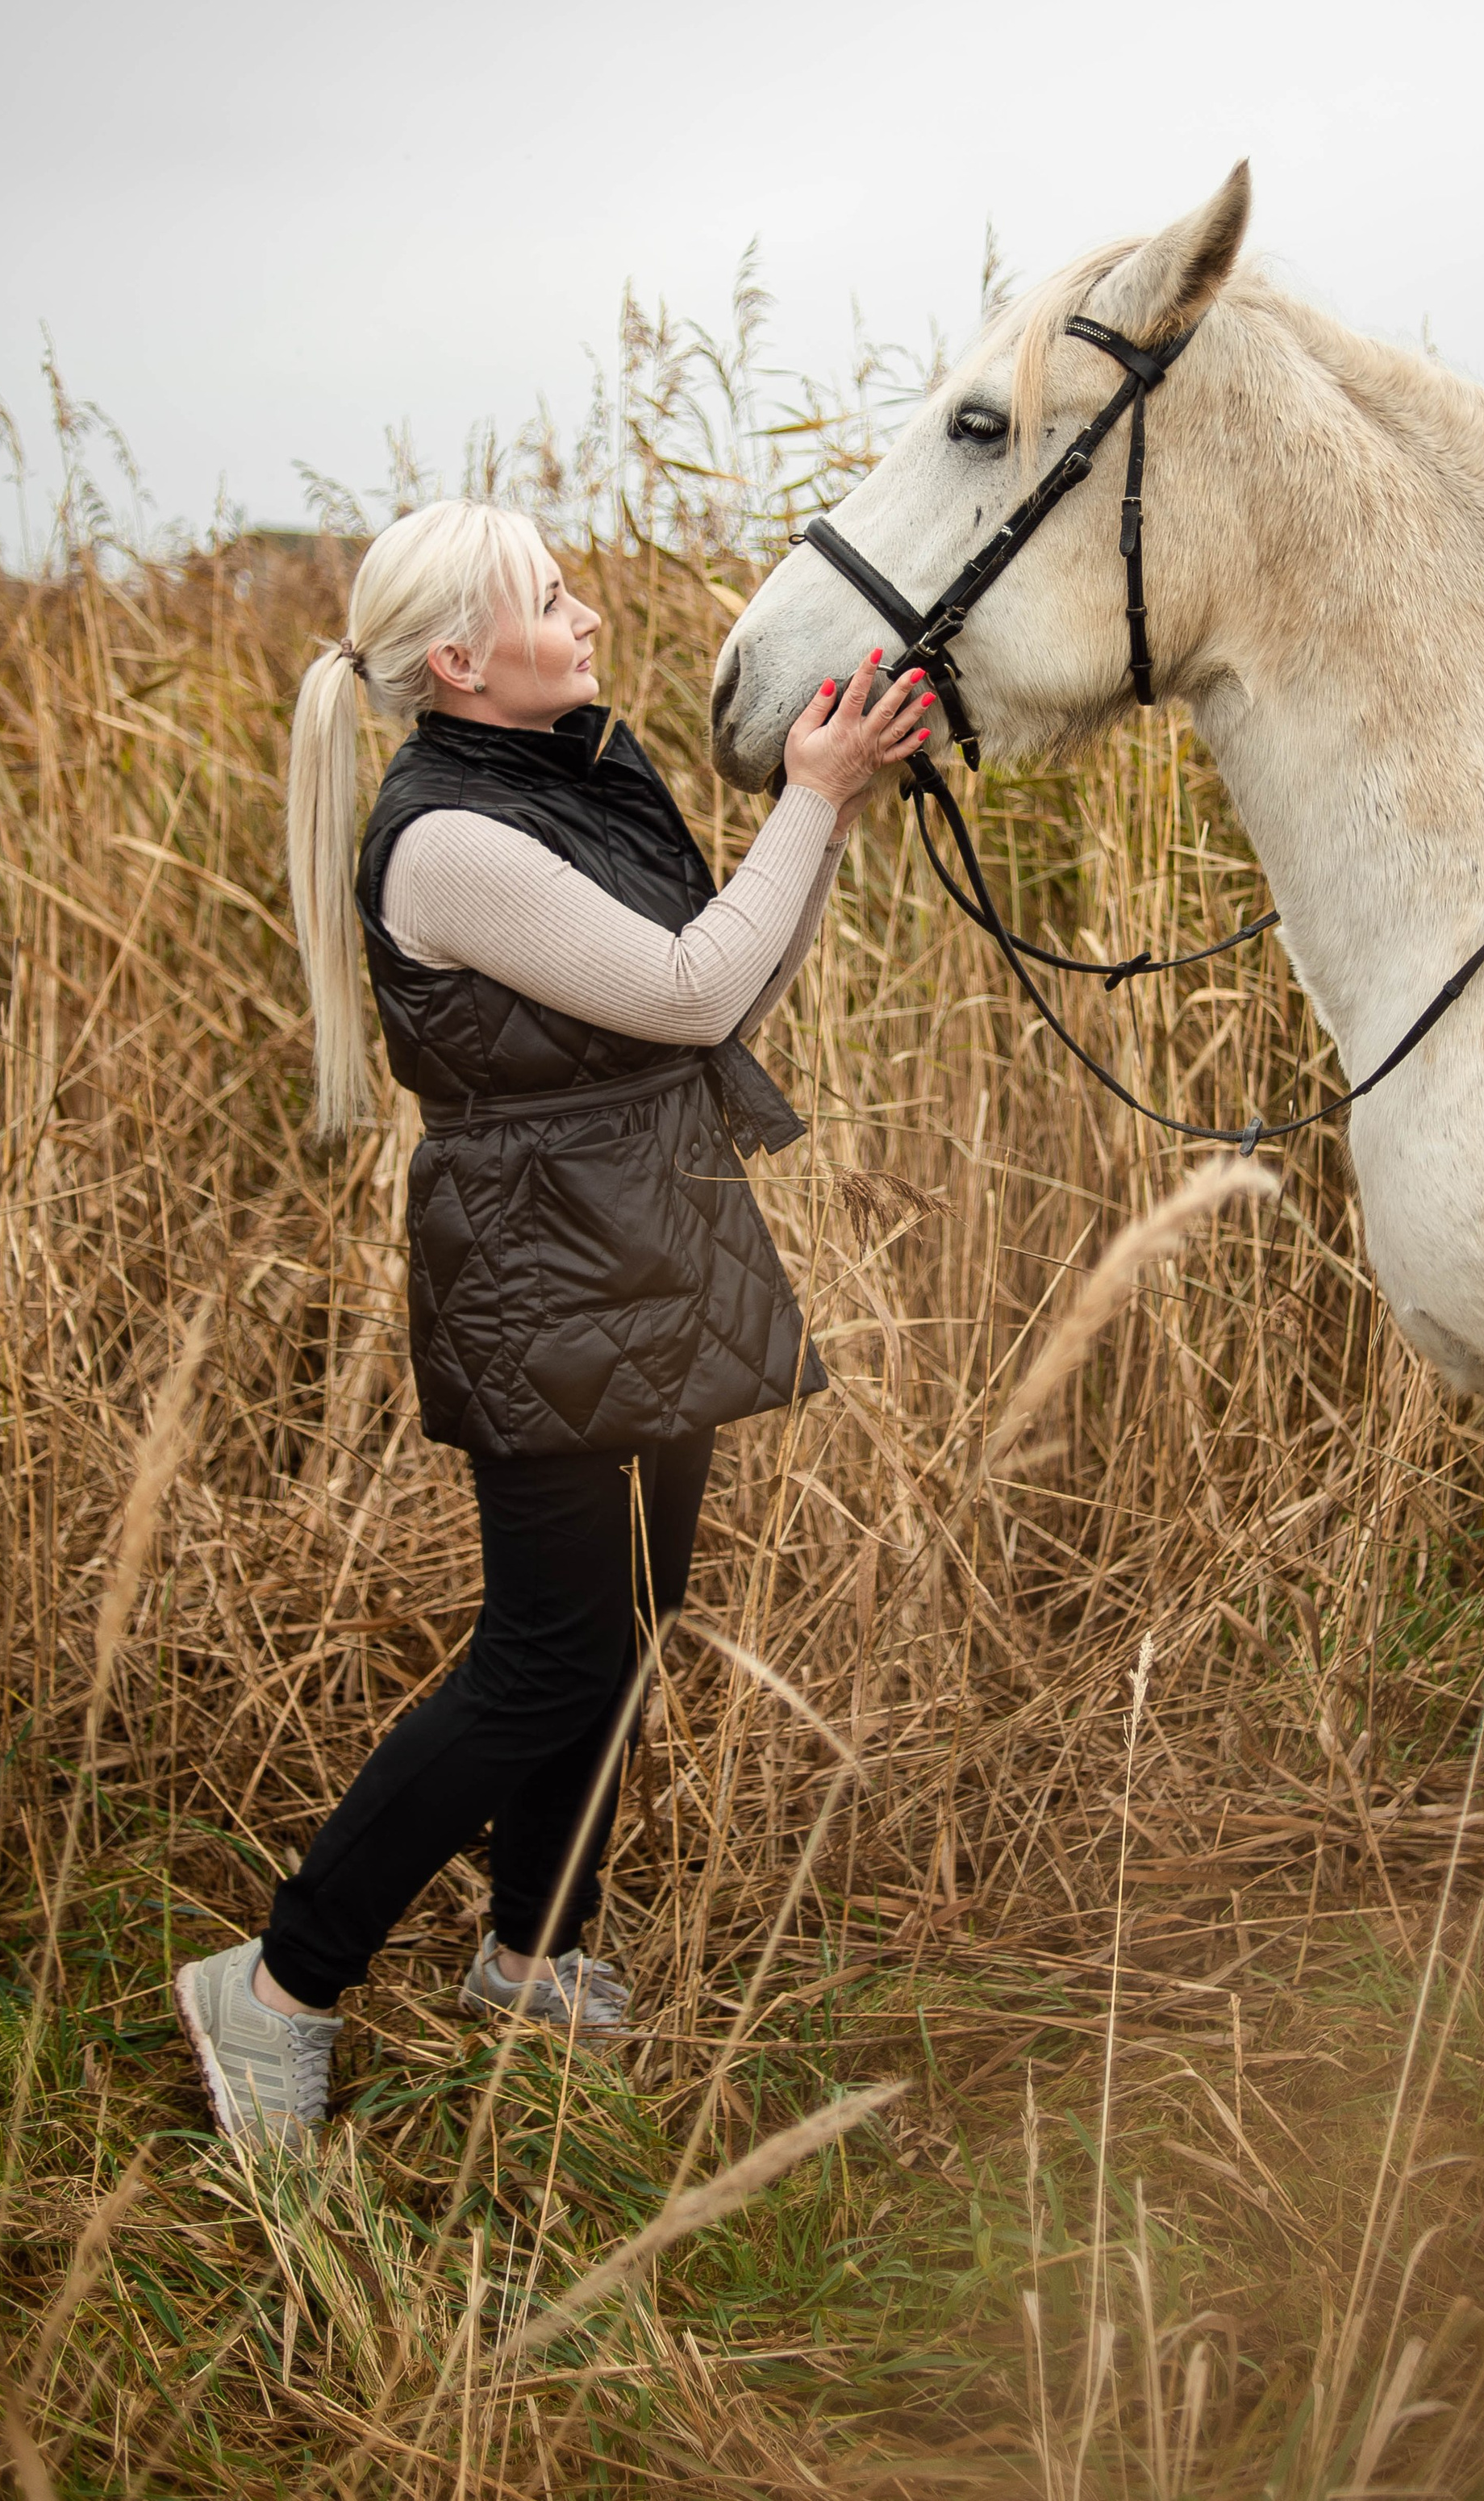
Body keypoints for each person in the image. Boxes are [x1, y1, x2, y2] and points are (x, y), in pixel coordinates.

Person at [173, 499, 930, 2148]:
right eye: (551, 597)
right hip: (542, 1273)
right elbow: (688, 993)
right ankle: (281, 1983)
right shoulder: (446, 836)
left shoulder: (564, 777)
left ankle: (533, 1950)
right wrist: (806, 798)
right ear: (459, 659)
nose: (585, 616)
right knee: (543, 1659)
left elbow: (720, 986)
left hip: (642, 1246)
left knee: (634, 1610)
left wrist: (833, 808)